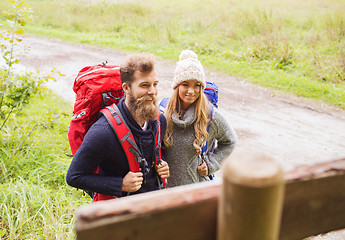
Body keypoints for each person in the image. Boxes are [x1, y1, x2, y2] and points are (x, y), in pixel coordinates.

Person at [66, 53, 170, 198]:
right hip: (118, 212)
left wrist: (162, 162)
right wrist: (120, 184)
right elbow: (74, 176)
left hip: (151, 206)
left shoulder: (159, 121)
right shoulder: (103, 132)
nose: (152, 91)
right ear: (126, 88)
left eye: (155, 84)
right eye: (144, 85)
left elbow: (155, 152)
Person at [162, 50, 237, 187]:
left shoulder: (210, 115)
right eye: (185, 84)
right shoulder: (163, 111)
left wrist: (211, 164)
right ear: (177, 86)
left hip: (195, 189)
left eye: (197, 85)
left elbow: (230, 141)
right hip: (164, 191)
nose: (191, 91)